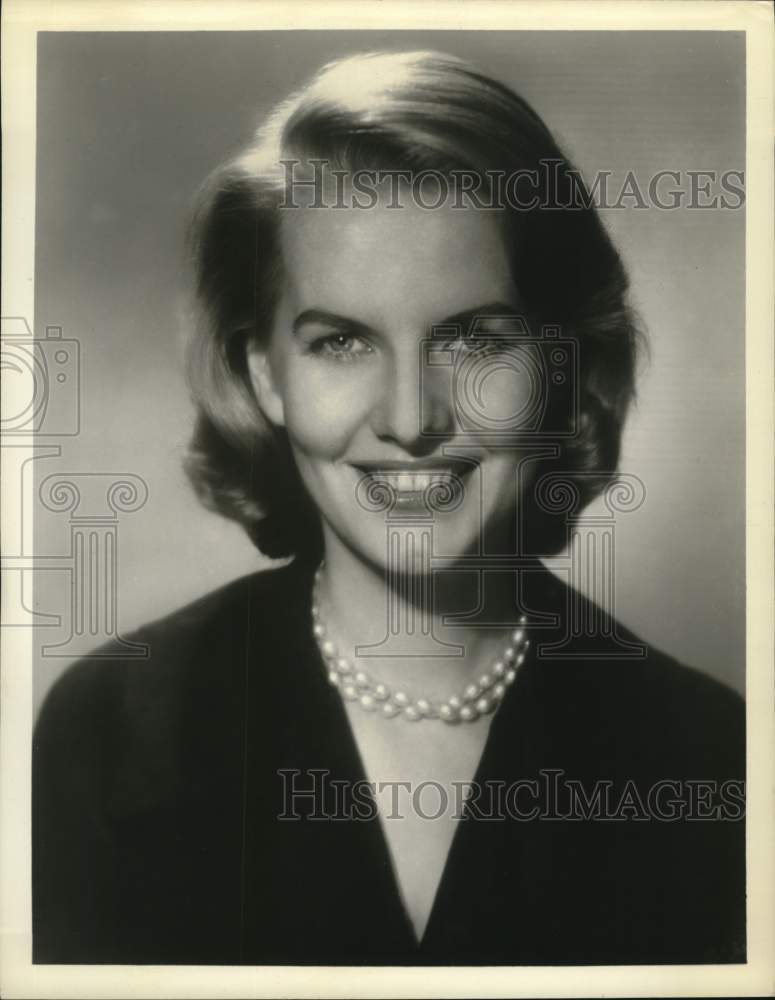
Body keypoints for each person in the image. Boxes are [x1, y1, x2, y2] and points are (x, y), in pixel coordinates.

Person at [33, 50, 745, 966]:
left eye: (472, 339)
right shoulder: (116, 735)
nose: (412, 419)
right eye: (340, 342)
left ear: (559, 367)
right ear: (265, 374)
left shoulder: (705, 757)